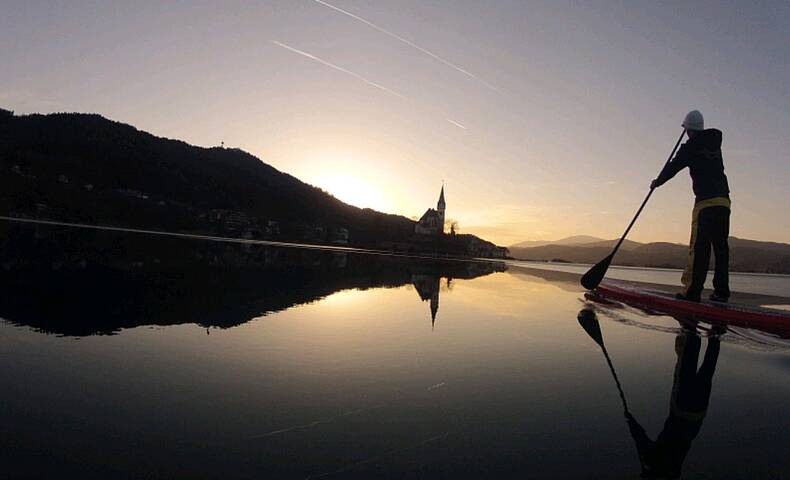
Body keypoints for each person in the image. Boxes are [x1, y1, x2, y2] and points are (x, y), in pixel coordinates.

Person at [650, 110, 731, 302]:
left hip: (705, 204)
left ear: (687, 129)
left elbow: (673, 166)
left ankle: (692, 292)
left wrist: (657, 182)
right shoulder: (715, 144)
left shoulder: (690, 147)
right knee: (721, 248)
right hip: (724, 202)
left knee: (699, 248)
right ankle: (721, 292)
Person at [625, 323, 721, 479]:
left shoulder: (673, 472)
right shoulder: (652, 462)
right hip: (681, 408)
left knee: (707, 370)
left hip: (698, 415)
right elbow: (640, 438)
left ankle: (716, 335)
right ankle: (691, 326)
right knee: (687, 362)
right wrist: (630, 421)